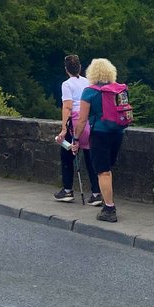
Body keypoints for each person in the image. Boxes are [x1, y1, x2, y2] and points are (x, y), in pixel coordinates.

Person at [72, 58, 125, 223]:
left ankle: (109, 208)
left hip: (99, 134)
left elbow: (82, 121)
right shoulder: (117, 89)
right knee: (108, 169)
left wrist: (75, 138)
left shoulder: (89, 92)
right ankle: (107, 201)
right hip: (117, 132)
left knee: (103, 171)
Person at [54, 53, 101, 205]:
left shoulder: (66, 84)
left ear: (66, 69)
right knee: (90, 158)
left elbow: (67, 107)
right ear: (80, 68)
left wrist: (63, 129)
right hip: (89, 123)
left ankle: (67, 190)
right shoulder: (88, 82)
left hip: (75, 124)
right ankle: (96, 193)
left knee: (67, 155)